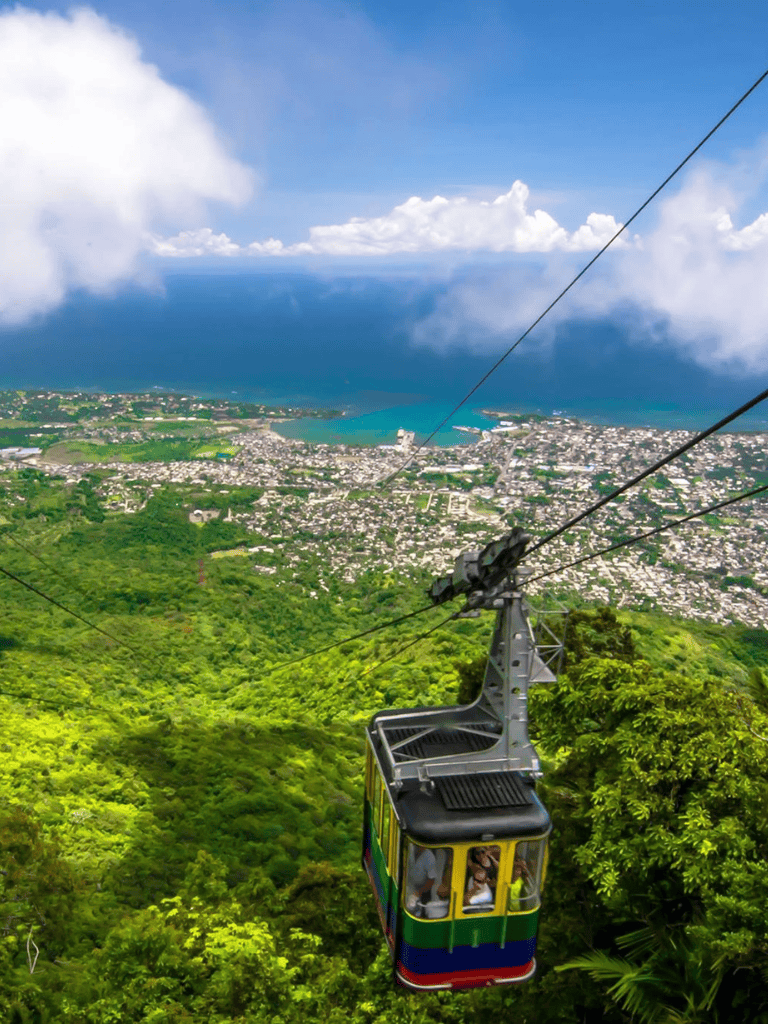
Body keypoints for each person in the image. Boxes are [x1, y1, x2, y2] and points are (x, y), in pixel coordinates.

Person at [407, 844, 437, 915]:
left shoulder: (429, 857)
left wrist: (419, 892)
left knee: (421, 912)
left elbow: (431, 880)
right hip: (410, 886)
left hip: (424, 889)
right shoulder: (409, 848)